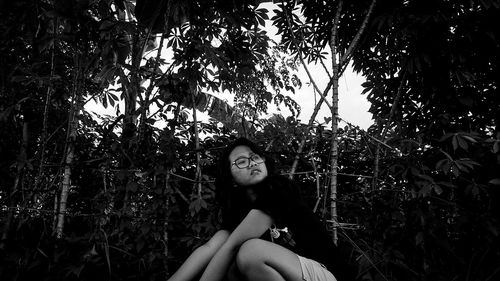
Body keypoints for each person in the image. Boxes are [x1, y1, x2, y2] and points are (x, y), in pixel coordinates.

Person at [167, 137, 356, 281]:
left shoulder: (279, 188)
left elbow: (232, 246)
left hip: (326, 274)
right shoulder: (238, 211)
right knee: (232, 264)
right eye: (241, 161)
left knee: (249, 252)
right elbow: (211, 247)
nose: (251, 163)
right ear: (230, 177)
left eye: (254, 157)